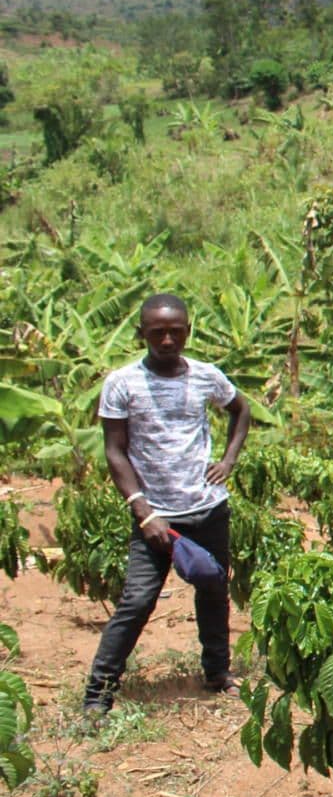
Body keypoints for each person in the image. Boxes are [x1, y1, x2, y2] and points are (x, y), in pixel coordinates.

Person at [84, 293, 252, 713]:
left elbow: (241, 409)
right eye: (157, 332)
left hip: (207, 507)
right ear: (141, 333)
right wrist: (143, 510)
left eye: (175, 331)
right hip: (155, 515)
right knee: (138, 601)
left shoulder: (206, 376)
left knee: (213, 588)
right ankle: (98, 693)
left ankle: (217, 673)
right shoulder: (122, 383)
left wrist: (228, 460)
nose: (166, 340)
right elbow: (115, 452)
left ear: (187, 332)